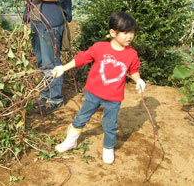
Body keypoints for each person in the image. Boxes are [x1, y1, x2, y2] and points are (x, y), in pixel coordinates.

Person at [51, 12, 146, 164]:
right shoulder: (99, 48)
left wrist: (139, 80)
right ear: (113, 32)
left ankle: (108, 148)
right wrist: (63, 68)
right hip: (93, 93)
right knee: (81, 117)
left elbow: (133, 70)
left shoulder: (131, 54)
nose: (130, 36)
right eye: (125, 32)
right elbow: (81, 58)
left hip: (113, 98)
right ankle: (71, 141)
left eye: (132, 32)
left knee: (110, 124)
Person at [11, 0, 73, 114]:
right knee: (40, 60)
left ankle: (55, 99)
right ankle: (44, 95)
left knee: (50, 61)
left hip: (50, 20)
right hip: (36, 19)